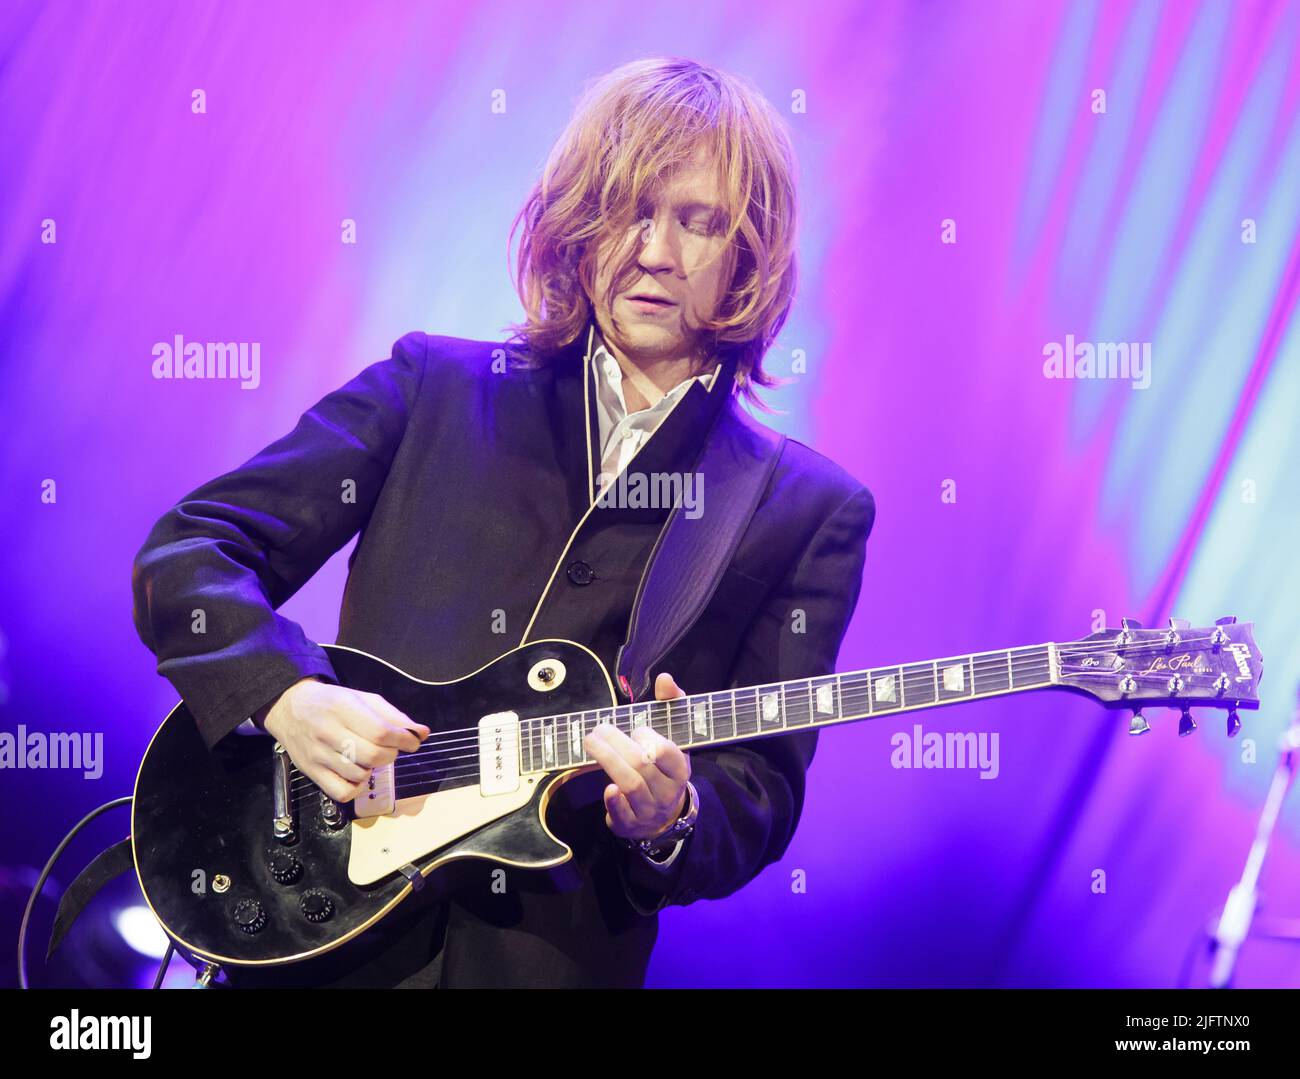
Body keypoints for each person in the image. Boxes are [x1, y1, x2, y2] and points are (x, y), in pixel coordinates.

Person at [131, 56, 874, 988]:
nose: (655, 251)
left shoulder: (803, 506)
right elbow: (193, 550)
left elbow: (759, 789)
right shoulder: (433, 387)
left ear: (748, 256)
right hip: (313, 938)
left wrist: (673, 817)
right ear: (578, 220)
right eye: (630, 210)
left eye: (699, 222)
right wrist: (288, 694)